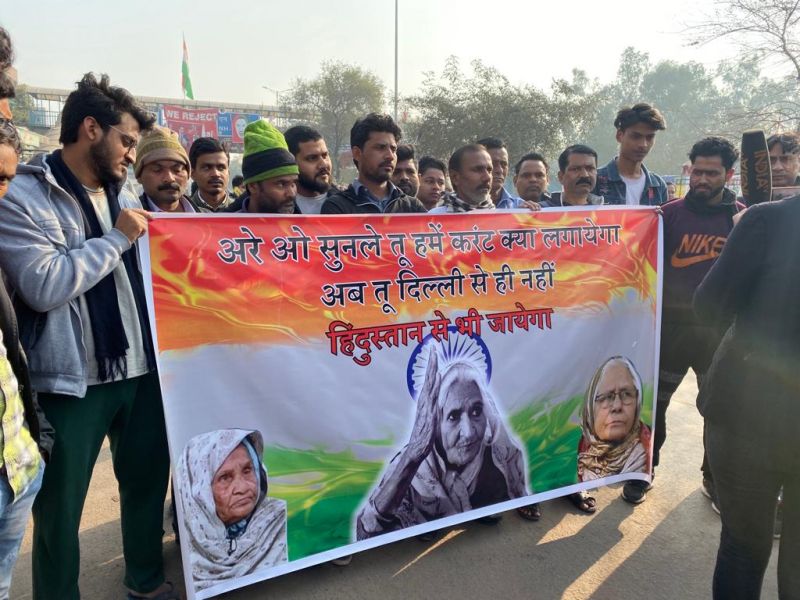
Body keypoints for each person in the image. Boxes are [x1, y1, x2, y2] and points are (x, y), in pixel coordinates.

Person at [0, 73, 175, 600]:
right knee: (60, 511)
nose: (131, 154)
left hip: (141, 367)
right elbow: (43, 284)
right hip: (71, 379)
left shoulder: (126, 192)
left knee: (146, 481)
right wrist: (118, 238)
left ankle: (145, 580)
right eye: (126, 140)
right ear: (91, 129)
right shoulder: (22, 195)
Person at [623, 137, 744, 506]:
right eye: (698, 171)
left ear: (729, 175)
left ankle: (714, 477)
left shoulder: (743, 218)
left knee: (719, 410)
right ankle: (644, 472)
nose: (702, 179)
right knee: (654, 405)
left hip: (718, 334)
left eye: (712, 173)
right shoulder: (667, 215)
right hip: (670, 330)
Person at [693, 183, 800, 600]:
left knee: (743, 546)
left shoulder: (766, 220)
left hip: (746, 411)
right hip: (748, 414)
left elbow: (710, 306)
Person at [356, 351, 529, 539]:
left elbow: (519, 488)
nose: (469, 432)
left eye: (476, 412)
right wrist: (412, 458)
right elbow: (365, 533)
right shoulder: (413, 464)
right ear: (435, 421)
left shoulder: (500, 451)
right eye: (453, 416)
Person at [0, 81, 53, 598]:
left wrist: (36, 441)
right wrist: (118, 238)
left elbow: (10, 353)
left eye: (5, 180)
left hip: (15, 468)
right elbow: (45, 284)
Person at [176, 429, 288, 591]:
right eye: (225, 477)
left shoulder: (279, 520)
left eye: (247, 470)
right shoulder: (193, 537)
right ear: (200, 490)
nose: (242, 488)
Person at [322, 113, 425, 214]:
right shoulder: (337, 207)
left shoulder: (413, 207)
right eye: (381, 148)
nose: (390, 156)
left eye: (393, 149)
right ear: (357, 153)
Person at [578, 357, 652, 482]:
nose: (617, 406)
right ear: (590, 408)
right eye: (606, 397)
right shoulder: (577, 455)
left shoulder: (646, 452)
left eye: (627, 394)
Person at [594, 103, 668, 206]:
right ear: (619, 135)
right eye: (636, 136)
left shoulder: (658, 186)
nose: (643, 144)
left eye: (650, 137)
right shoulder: (595, 181)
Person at [233, 120, 299, 214]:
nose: (291, 193)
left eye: (294, 183)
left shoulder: (307, 222)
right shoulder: (229, 223)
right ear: (253, 186)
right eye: (281, 184)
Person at [134, 126, 197, 213]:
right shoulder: (125, 218)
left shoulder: (208, 217)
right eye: (157, 170)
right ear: (139, 176)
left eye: (177, 170)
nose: (170, 178)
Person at [283, 125, 336, 214]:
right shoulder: (277, 208)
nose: (324, 164)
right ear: (291, 163)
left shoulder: (347, 205)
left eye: (325, 155)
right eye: (312, 158)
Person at [189, 137, 234, 212]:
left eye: (221, 168)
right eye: (207, 168)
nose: (216, 174)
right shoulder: (184, 211)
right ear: (193, 174)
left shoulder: (243, 212)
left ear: (228, 173)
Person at [476, 137, 522, 208]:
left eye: (504, 164)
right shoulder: (460, 208)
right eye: (492, 164)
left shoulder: (521, 207)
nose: (500, 170)